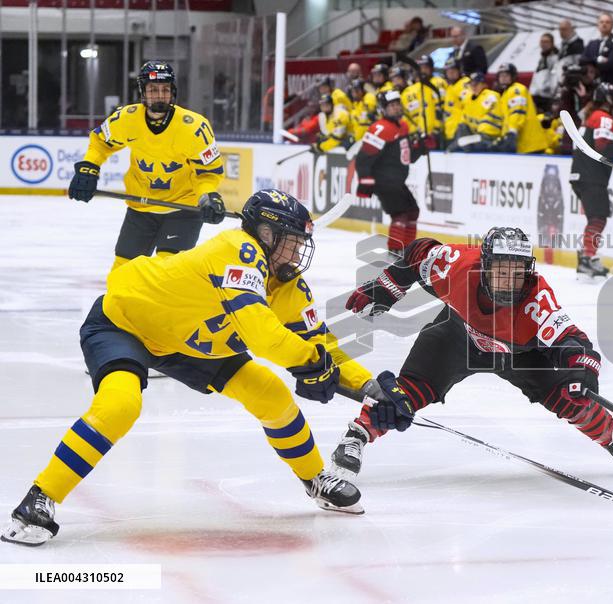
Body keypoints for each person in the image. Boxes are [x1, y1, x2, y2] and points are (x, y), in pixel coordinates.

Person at [1, 189, 381, 546]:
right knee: (120, 405)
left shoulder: (287, 286)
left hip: (190, 342)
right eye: (291, 242)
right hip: (125, 323)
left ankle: (315, 479)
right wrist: (310, 363)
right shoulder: (238, 249)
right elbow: (264, 337)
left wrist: (371, 388)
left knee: (271, 393)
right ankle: (40, 498)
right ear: (265, 233)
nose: (297, 254)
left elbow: (323, 346)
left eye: (301, 245)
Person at [333, 226, 613, 480]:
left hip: (519, 352)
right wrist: (385, 289)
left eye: (517, 272)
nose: (509, 280)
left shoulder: (535, 298)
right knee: (408, 391)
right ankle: (357, 437)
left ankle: (612, 438)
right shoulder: (458, 266)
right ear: (484, 266)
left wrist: (581, 371)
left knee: (568, 397)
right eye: (501, 270)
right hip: (457, 335)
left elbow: (572, 341)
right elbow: (420, 253)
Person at [68, 60, 226, 274]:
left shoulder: (194, 128)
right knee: (122, 274)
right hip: (140, 209)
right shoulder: (127, 118)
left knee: (166, 274)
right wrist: (89, 167)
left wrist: (208, 195)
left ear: (173, 92)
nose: (160, 95)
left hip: (183, 209)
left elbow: (207, 172)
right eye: (153, 90)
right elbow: (100, 141)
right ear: (143, 91)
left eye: (165, 89)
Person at [356, 91, 427, 256]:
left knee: (412, 211)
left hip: (396, 181)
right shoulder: (379, 128)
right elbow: (363, 158)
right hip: (383, 180)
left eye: (397, 105)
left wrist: (421, 147)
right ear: (384, 109)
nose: (396, 108)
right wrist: (365, 181)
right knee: (400, 213)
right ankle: (396, 250)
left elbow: (406, 157)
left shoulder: (403, 126)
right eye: (392, 106)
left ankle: (408, 250)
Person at [569, 83, 613, 279]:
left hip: (582, 175)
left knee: (595, 218)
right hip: (592, 176)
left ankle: (588, 257)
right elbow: (603, 150)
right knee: (598, 218)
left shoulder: (590, 117)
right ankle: (587, 257)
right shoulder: (603, 118)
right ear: (609, 100)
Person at [495, 63, 549, 154]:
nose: (503, 78)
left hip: (531, 144)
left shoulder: (517, 90)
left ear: (513, 76)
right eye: (501, 75)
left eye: (506, 75)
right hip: (523, 145)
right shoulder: (505, 94)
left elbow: (517, 112)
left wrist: (512, 131)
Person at [450, 72, 503, 152]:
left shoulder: (491, 97)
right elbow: (464, 121)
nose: (473, 87)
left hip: (490, 139)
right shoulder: (468, 99)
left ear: (483, 84)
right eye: (471, 84)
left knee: (461, 143)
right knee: (461, 132)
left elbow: (488, 131)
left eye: (476, 84)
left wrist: (462, 141)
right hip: (476, 138)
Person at [402, 58, 442, 148]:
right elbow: (405, 115)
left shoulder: (439, 83)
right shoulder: (407, 91)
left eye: (425, 67)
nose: (422, 71)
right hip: (416, 135)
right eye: (420, 68)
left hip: (438, 132)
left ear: (431, 68)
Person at [583, 13, 613, 90]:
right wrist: (598, 59)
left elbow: (611, 63)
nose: (604, 24)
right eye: (601, 22)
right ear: (597, 25)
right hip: (592, 86)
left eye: (607, 22)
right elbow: (583, 60)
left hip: (611, 85)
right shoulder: (592, 43)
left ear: (612, 25)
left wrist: (592, 63)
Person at [442, 57, 470, 145]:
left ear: (459, 70)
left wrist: (461, 127)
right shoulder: (449, 87)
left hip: (461, 131)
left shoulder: (464, 83)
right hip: (450, 132)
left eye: (453, 70)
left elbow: (469, 105)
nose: (450, 73)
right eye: (448, 71)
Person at [530, 32, 560, 114]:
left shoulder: (556, 58)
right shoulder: (541, 58)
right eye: (542, 41)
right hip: (536, 96)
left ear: (552, 43)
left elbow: (556, 79)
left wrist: (555, 97)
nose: (544, 44)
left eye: (546, 42)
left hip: (548, 98)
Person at [348, 78, 378, 143]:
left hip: (369, 138)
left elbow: (365, 122)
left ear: (362, 90)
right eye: (353, 91)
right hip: (358, 138)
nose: (354, 93)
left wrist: (357, 139)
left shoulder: (369, 97)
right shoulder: (355, 104)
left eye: (357, 90)